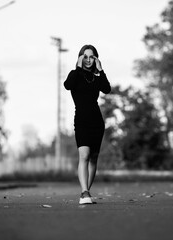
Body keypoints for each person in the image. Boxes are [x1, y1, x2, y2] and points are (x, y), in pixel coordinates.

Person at [64, 44, 111, 204]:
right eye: (85, 57)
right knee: (84, 155)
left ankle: (86, 192)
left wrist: (101, 69)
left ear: (96, 59)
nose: (89, 60)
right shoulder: (75, 75)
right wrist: (78, 68)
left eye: (92, 57)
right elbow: (67, 85)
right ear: (80, 58)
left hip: (97, 122)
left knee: (93, 158)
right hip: (82, 121)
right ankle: (84, 192)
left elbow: (107, 89)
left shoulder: (97, 78)